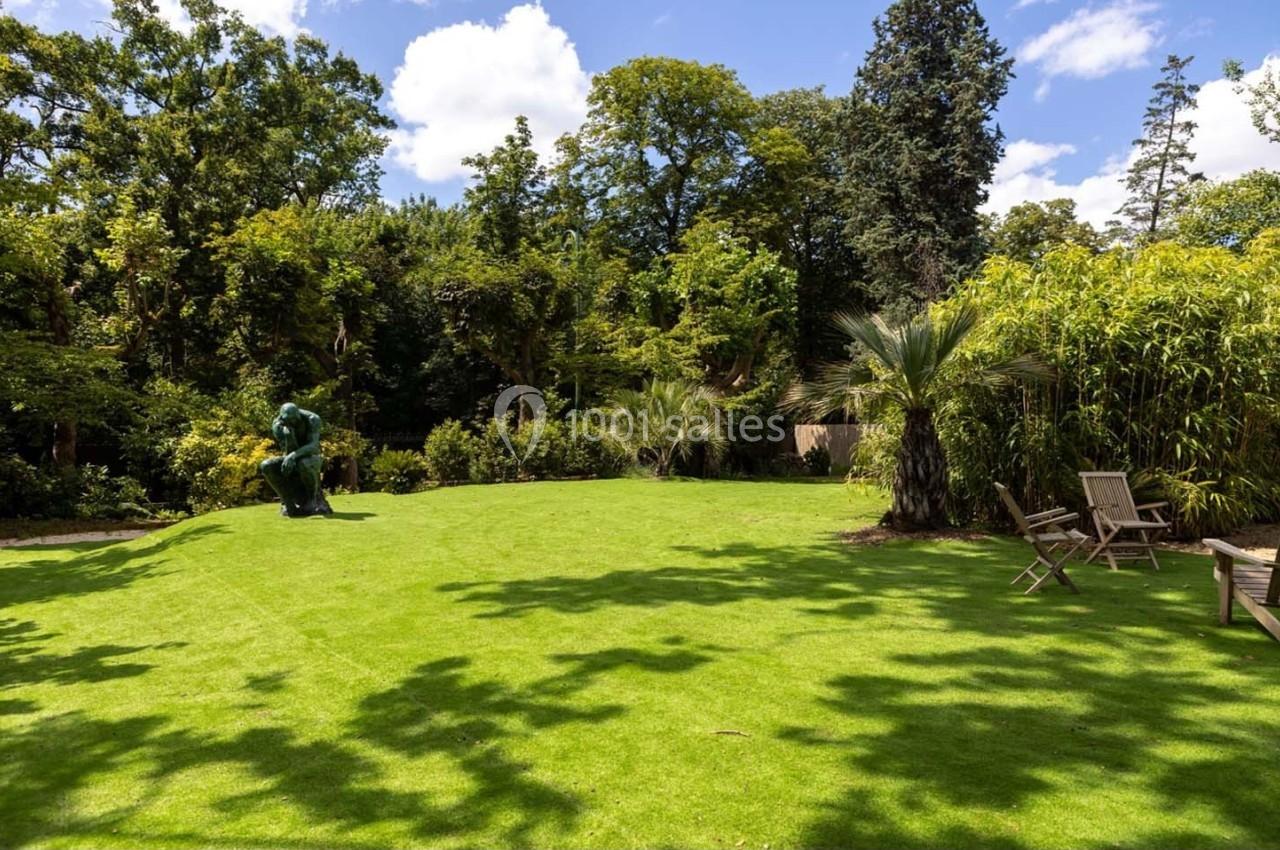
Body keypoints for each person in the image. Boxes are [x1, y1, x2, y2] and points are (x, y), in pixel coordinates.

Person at [259, 403, 332, 517]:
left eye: (294, 419)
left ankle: (312, 500)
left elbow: (313, 446)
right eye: (288, 420)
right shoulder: (278, 425)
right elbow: (287, 451)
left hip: (312, 457)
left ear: (298, 413)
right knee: (266, 465)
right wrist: (289, 436)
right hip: (290, 456)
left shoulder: (312, 419)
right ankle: (287, 501)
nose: (292, 422)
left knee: (303, 464)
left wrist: (293, 455)